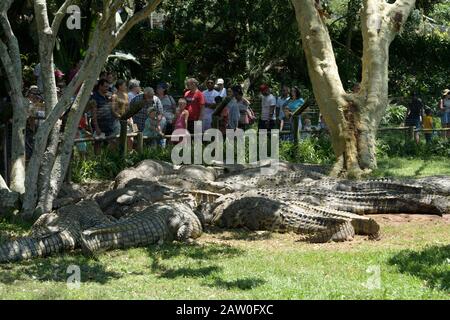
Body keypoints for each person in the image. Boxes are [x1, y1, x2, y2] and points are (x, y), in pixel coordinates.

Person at [112, 79, 134, 149]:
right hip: (118, 120)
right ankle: (120, 157)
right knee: (119, 138)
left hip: (127, 119)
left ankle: (129, 155)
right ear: (120, 86)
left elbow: (128, 109)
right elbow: (113, 110)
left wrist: (130, 119)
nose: (126, 87)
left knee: (131, 139)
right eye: (124, 85)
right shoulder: (114, 96)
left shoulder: (126, 95)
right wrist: (120, 117)